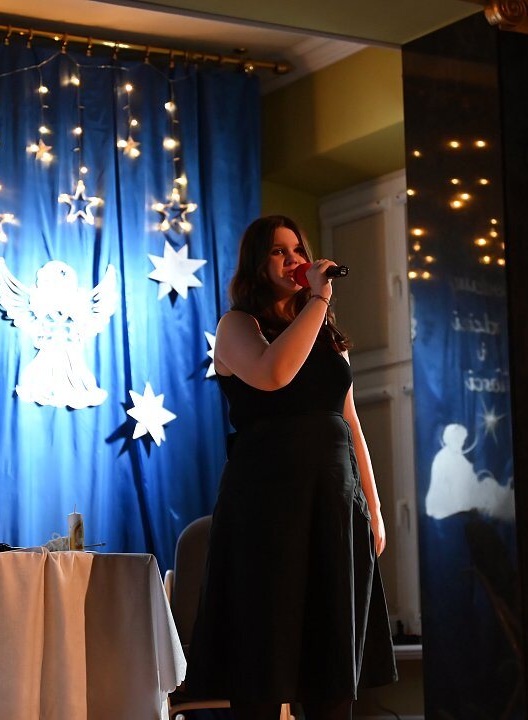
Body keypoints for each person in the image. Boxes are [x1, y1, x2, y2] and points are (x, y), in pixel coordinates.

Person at [185, 215, 397, 720]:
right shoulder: (237, 326)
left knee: (332, 668)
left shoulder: (324, 334)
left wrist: (372, 507)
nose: (294, 260)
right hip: (266, 510)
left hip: (333, 506)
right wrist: (319, 300)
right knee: (264, 658)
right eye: (278, 252)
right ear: (257, 265)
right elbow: (273, 373)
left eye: (298, 249)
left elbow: (349, 421)